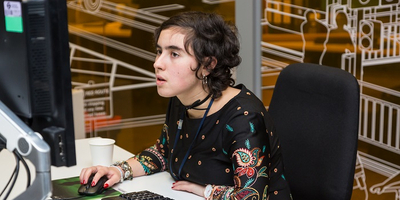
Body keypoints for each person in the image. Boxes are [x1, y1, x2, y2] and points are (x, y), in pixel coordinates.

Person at [80, 11, 292, 200]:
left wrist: (205, 191)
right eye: (159, 51)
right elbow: (164, 152)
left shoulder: (244, 118)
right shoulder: (182, 99)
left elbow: (251, 196)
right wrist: (119, 171)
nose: (157, 63)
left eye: (174, 54)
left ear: (208, 65)